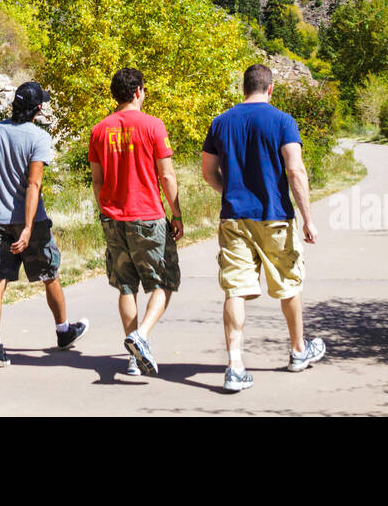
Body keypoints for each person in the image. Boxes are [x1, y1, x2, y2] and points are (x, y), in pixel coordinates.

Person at [201, 64, 326, 392]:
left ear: (244, 88)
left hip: (234, 218)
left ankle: (234, 365)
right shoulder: (283, 121)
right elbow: (295, 171)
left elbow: (208, 172)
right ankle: (298, 351)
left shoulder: (220, 122)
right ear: (270, 89)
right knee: (288, 284)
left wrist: (229, 191)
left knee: (235, 289)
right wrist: (308, 218)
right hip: (274, 216)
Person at [0, 81, 88, 368]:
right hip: (31, 222)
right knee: (49, 273)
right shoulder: (38, 137)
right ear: (38, 109)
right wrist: (26, 228)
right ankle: (63, 331)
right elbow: (34, 184)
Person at [88, 68, 182, 377]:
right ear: (139, 91)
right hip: (148, 216)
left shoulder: (100, 130)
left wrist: (106, 209)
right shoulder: (153, 126)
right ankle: (141, 336)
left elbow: (97, 181)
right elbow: (166, 175)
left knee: (126, 286)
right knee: (165, 280)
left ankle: (132, 357)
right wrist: (176, 212)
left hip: (114, 217)